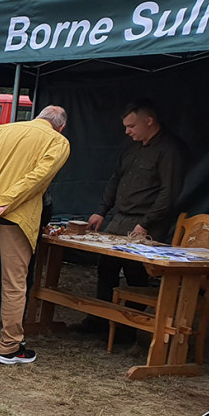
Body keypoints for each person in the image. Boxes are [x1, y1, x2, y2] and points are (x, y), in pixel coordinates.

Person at [0, 106, 70, 364]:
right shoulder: (58, 141)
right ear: (60, 126)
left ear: (38, 116)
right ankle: (9, 347)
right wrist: (2, 202)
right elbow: (38, 178)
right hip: (15, 216)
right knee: (14, 283)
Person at [78, 99, 189, 332]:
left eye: (131, 126)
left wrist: (145, 224)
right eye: (126, 127)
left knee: (136, 273)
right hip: (120, 217)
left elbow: (169, 193)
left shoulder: (169, 149)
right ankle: (101, 318)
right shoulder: (131, 147)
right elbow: (115, 180)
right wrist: (101, 210)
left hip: (146, 222)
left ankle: (127, 327)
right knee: (106, 267)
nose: (127, 132)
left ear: (149, 121)